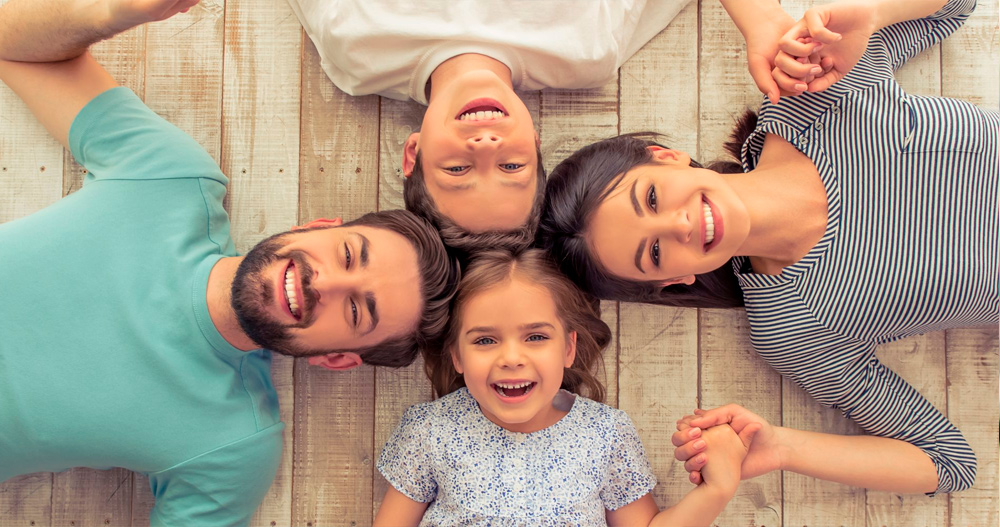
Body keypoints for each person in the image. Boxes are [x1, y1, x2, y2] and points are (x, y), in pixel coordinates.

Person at [0, 0, 457, 524]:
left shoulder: (234, 447)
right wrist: (116, 11)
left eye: (356, 311)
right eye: (348, 255)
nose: (323, 281)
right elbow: (15, 48)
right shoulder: (169, 180)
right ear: (319, 227)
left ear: (337, 359)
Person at [537, 0, 996, 496]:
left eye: (651, 197)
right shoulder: (792, 325)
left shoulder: (811, 98)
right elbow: (946, 463)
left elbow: (956, 6)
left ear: (666, 158)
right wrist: (780, 447)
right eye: (654, 254)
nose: (681, 225)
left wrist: (870, 13)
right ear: (673, 280)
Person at [286, 0, 804, 255]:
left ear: (413, 153)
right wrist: (762, 24)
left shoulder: (356, 50)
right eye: (512, 166)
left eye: (458, 168)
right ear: (535, 142)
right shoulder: (584, 54)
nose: (486, 145)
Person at [373, 249, 753, 526]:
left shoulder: (606, 434)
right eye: (485, 341)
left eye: (536, 336)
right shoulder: (429, 430)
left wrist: (715, 490)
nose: (510, 358)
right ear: (456, 356)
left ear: (569, 348)